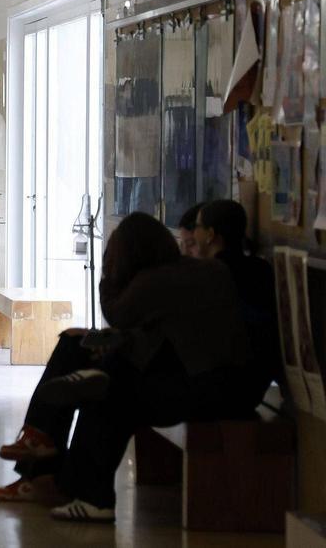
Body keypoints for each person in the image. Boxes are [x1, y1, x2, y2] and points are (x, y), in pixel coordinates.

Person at [41, 213, 252, 522]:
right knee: (99, 375)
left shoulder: (154, 281)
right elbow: (167, 333)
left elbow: (116, 313)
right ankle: (62, 466)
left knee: (107, 395)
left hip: (208, 392)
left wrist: (107, 272)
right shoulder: (210, 270)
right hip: (236, 385)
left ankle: (87, 494)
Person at [193, 199, 279, 407]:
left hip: (219, 387)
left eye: (197, 227)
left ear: (210, 235)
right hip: (256, 385)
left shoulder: (208, 274)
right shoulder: (261, 269)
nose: (194, 234)